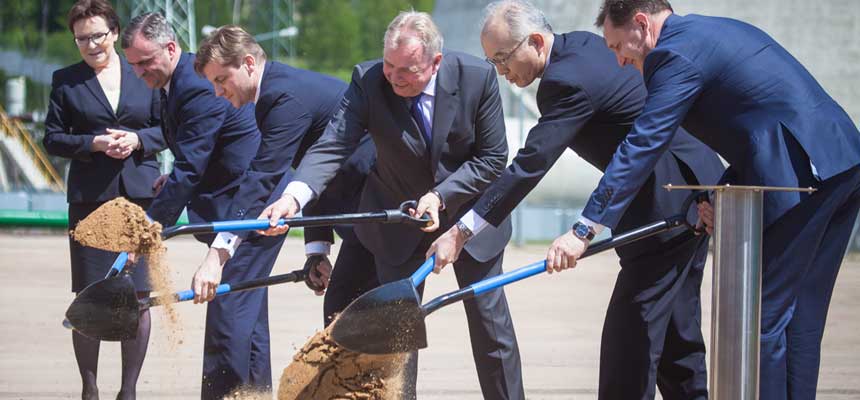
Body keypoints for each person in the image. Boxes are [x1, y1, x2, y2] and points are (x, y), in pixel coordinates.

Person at [548, 1, 860, 398]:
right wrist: (717, 194)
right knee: (801, 318)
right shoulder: (708, 33)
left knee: (760, 319)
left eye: (616, 47)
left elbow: (642, 145)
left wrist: (584, 228)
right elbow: (758, 127)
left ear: (641, 25)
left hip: (800, 175)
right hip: (840, 161)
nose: (620, 61)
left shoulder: (670, 55)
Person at [426, 1, 725, 398]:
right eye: (492, 62)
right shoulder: (582, 45)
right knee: (675, 331)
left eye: (503, 59)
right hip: (690, 184)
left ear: (534, 41)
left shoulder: (563, 83)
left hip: (664, 201)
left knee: (631, 334)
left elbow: (530, 165)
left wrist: (461, 232)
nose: (501, 72)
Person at [259, 11, 525, 399]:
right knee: (397, 334)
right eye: (389, 64)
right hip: (400, 223)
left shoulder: (476, 77)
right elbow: (333, 143)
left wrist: (440, 196)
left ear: (435, 62)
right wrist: (292, 196)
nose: (394, 76)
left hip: (469, 218)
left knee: (490, 327)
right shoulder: (369, 82)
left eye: (407, 69)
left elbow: (491, 159)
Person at [188, 25, 378, 397]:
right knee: (340, 314)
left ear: (247, 64)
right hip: (353, 214)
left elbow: (261, 180)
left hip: (374, 213)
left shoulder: (282, 97)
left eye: (221, 79)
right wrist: (317, 250)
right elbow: (313, 170)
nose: (218, 92)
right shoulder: (273, 95)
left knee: (353, 319)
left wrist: (217, 254)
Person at [120, 13, 262, 399]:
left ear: (170, 48)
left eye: (145, 62)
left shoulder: (198, 83)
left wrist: (148, 229)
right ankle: (254, 392)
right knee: (245, 312)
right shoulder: (170, 84)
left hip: (241, 207)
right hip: (226, 202)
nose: (138, 72)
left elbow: (191, 165)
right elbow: (193, 152)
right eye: (132, 63)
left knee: (229, 317)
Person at [43, 1, 167, 398]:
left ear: (114, 32)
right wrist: (92, 143)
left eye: (97, 35)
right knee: (90, 296)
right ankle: (90, 388)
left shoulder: (143, 72)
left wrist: (138, 139)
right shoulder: (66, 80)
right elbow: (53, 138)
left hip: (140, 201)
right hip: (90, 203)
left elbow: (169, 128)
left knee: (139, 296)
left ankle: (128, 390)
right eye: (82, 38)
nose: (91, 44)